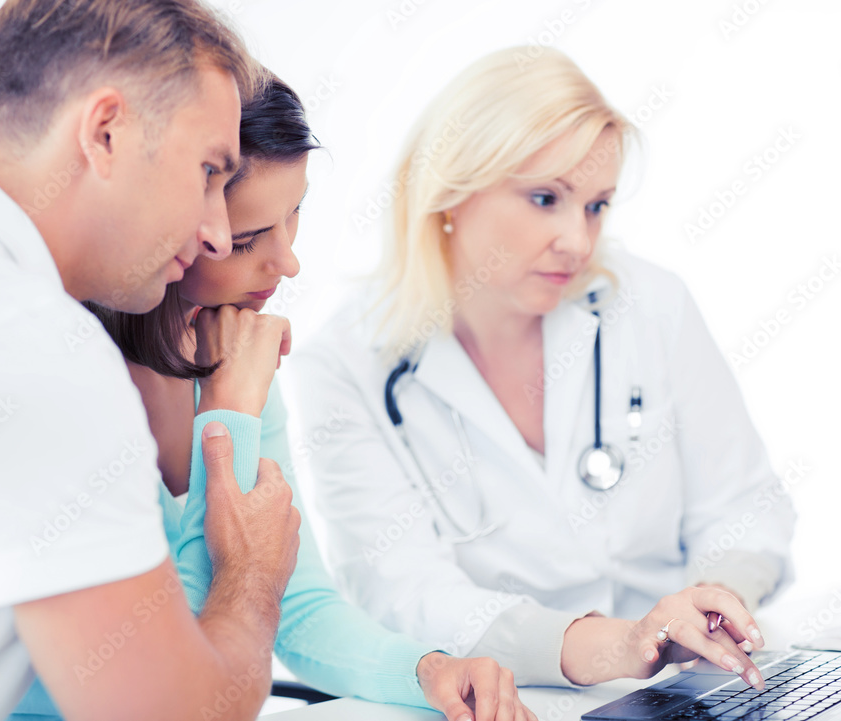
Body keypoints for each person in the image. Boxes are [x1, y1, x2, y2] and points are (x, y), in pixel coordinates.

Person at [12, 73, 536, 721]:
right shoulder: (66, 376)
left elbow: (298, 607)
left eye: (295, 215)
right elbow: (184, 656)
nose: (287, 263)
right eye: (250, 237)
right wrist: (230, 407)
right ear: (180, 220)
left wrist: (428, 669)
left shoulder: (235, 352)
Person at [0, 2, 306, 720]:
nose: (217, 230)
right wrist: (250, 576)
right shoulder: (29, 346)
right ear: (106, 132)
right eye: (209, 171)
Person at [289, 47, 796, 691]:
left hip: (700, 679)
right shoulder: (344, 365)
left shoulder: (651, 304)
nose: (578, 243)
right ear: (451, 191)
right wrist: (626, 644)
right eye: (544, 198)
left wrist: (714, 603)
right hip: (517, 692)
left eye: (596, 205)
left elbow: (747, 506)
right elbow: (403, 590)